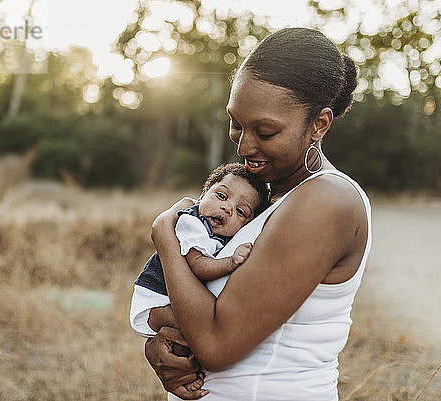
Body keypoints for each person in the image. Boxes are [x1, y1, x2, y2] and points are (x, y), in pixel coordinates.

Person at [144, 27, 372, 401]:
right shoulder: (268, 194)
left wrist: (166, 239)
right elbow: (206, 310)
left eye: (265, 131)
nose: (244, 144)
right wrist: (159, 344)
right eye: (236, 122)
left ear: (320, 124)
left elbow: (217, 346)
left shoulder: (327, 199)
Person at [130, 163, 270, 359]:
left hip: (173, 300)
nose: (228, 208)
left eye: (241, 211)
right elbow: (198, 266)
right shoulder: (193, 224)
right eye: (221, 196)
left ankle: (188, 369)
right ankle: (188, 371)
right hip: (156, 300)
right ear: (203, 195)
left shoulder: (220, 235)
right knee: (192, 331)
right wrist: (230, 262)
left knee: (190, 335)